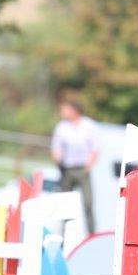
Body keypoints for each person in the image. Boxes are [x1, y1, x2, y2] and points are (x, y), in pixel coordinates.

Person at [51, 99, 100, 232]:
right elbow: (56, 148)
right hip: (66, 169)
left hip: (82, 169)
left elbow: (95, 148)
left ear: (74, 111)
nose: (63, 112)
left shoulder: (88, 125)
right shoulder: (61, 127)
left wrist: (89, 165)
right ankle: (63, 233)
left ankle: (92, 234)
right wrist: (58, 161)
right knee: (65, 204)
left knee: (88, 203)